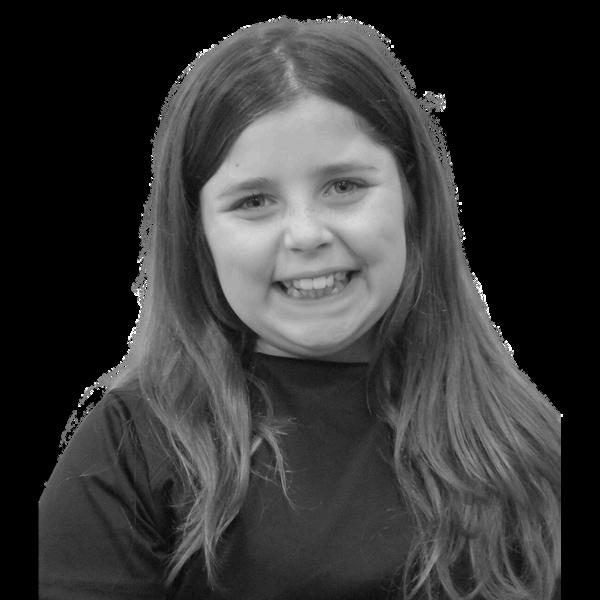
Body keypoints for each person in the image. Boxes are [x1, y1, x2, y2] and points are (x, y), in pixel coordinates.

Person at [38, 17, 561, 600]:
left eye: (344, 186)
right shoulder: (132, 449)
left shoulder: (527, 440)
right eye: (254, 200)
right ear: (198, 235)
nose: (307, 235)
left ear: (412, 199)